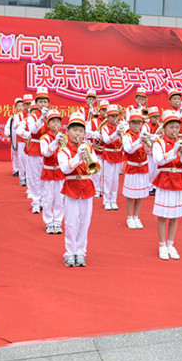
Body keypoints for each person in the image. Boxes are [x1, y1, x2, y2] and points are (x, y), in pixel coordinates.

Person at [58, 111, 100, 267]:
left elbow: (96, 166)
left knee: (84, 221)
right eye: (74, 130)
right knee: (70, 222)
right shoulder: (63, 150)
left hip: (87, 186)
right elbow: (64, 169)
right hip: (71, 186)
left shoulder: (88, 147)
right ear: (68, 131)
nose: (78, 133)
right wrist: (77, 158)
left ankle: (81, 252)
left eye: (81, 130)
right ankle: (69, 252)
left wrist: (88, 157)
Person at [152, 110, 182, 260]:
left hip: (178, 178)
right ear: (165, 128)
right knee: (162, 215)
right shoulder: (159, 143)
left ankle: (171, 244)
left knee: (174, 216)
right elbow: (158, 160)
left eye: (176, 127)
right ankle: (162, 245)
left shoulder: (181, 143)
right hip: (165, 179)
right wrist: (173, 151)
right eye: (171, 127)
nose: (174, 130)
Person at [121, 110, 150, 229]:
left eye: (139, 123)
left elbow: (149, 151)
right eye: (134, 123)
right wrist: (139, 141)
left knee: (140, 194)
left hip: (143, 166)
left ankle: (136, 216)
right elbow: (128, 149)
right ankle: (129, 217)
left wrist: (148, 143)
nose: (137, 125)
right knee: (130, 194)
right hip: (132, 167)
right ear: (130, 124)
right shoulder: (127, 136)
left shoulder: (143, 135)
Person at [40, 109, 65, 234]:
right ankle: (49, 222)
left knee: (59, 198)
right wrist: (55, 142)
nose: (56, 124)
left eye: (58, 122)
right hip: (49, 171)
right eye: (53, 121)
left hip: (60, 172)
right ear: (48, 124)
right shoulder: (44, 138)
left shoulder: (64, 137)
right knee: (48, 198)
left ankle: (58, 221)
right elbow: (45, 152)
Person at [25, 87, 50, 214]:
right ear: (36, 103)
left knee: (46, 177)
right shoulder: (32, 116)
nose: (43, 104)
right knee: (34, 177)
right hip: (35, 147)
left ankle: (45, 201)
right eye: (40, 101)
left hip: (48, 148)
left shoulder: (52, 115)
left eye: (45, 102)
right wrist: (41, 119)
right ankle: (36, 202)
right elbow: (33, 130)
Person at [100, 104, 126, 210]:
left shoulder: (120, 127)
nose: (114, 118)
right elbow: (106, 140)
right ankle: (106, 200)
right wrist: (116, 132)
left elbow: (124, 142)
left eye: (116, 116)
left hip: (118, 154)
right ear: (108, 117)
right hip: (108, 154)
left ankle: (113, 200)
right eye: (112, 116)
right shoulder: (105, 128)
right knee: (108, 179)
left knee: (115, 179)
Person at [13, 94, 32, 187]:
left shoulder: (35, 114)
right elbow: (15, 126)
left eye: (30, 104)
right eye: (26, 104)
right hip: (21, 140)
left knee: (30, 159)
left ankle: (29, 177)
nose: (28, 106)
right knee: (22, 158)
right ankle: (22, 177)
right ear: (23, 105)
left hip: (32, 140)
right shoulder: (19, 115)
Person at [4, 97, 24, 177]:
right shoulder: (12, 117)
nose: (20, 107)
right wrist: (8, 133)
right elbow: (7, 127)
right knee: (15, 154)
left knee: (22, 155)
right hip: (14, 138)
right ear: (15, 107)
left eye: (22, 105)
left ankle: (23, 170)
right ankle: (16, 169)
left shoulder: (25, 116)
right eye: (18, 106)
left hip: (23, 139)